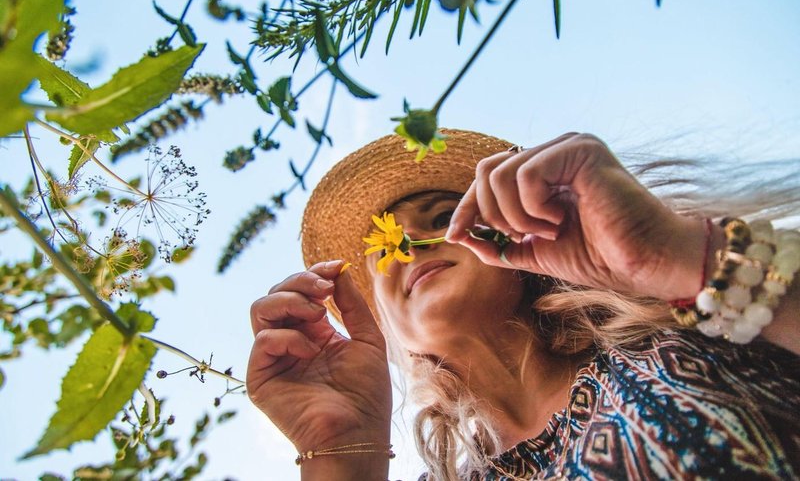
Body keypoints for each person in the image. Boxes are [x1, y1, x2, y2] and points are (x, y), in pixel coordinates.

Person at [247, 129, 800, 480]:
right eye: (385, 250)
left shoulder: (691, 327)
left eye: (444, 218)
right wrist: (347, 455)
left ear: (524, 242)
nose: (412, 246)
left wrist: (678, 257)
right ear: (387, 327)